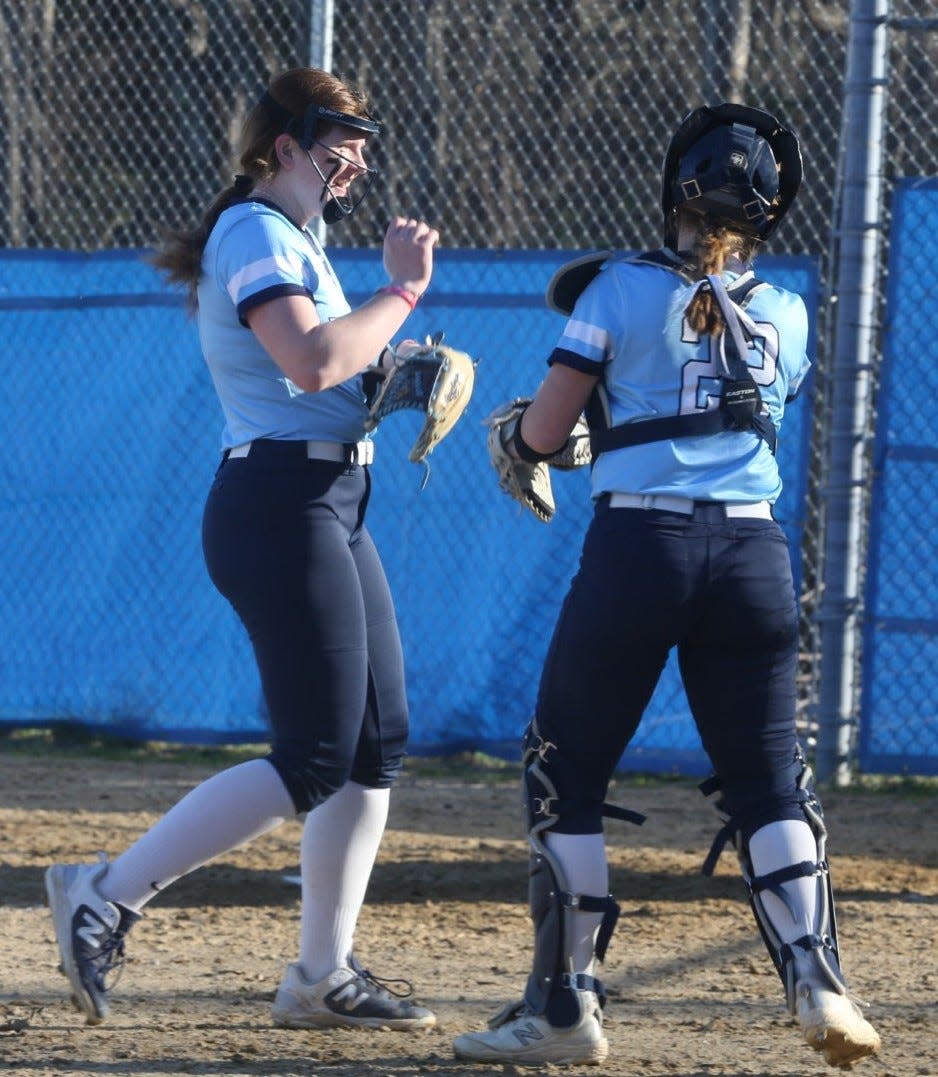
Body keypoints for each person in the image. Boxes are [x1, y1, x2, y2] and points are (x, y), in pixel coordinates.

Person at [453, 104, 881, 1069]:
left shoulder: (615, 289)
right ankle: (819, 981)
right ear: (771, 212)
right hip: (754, 559)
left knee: (567, 768)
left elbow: (545, 434)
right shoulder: (786, 309)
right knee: (772, 781)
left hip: (641, 551)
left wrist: (522, 440)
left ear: (673, 193)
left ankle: (564, 1008)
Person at [45, 67, 439, 1031]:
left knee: (372, 749)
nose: (360, 152)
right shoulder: (255, 230)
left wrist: (403, 373)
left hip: (331, 495)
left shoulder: (296, 238)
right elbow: (309, 361)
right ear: (286, 145)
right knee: (312, 756)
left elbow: (337, 369)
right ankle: (105, 890)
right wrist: (403, 293)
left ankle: (320, 974)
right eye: (342, 133)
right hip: (278, 502)